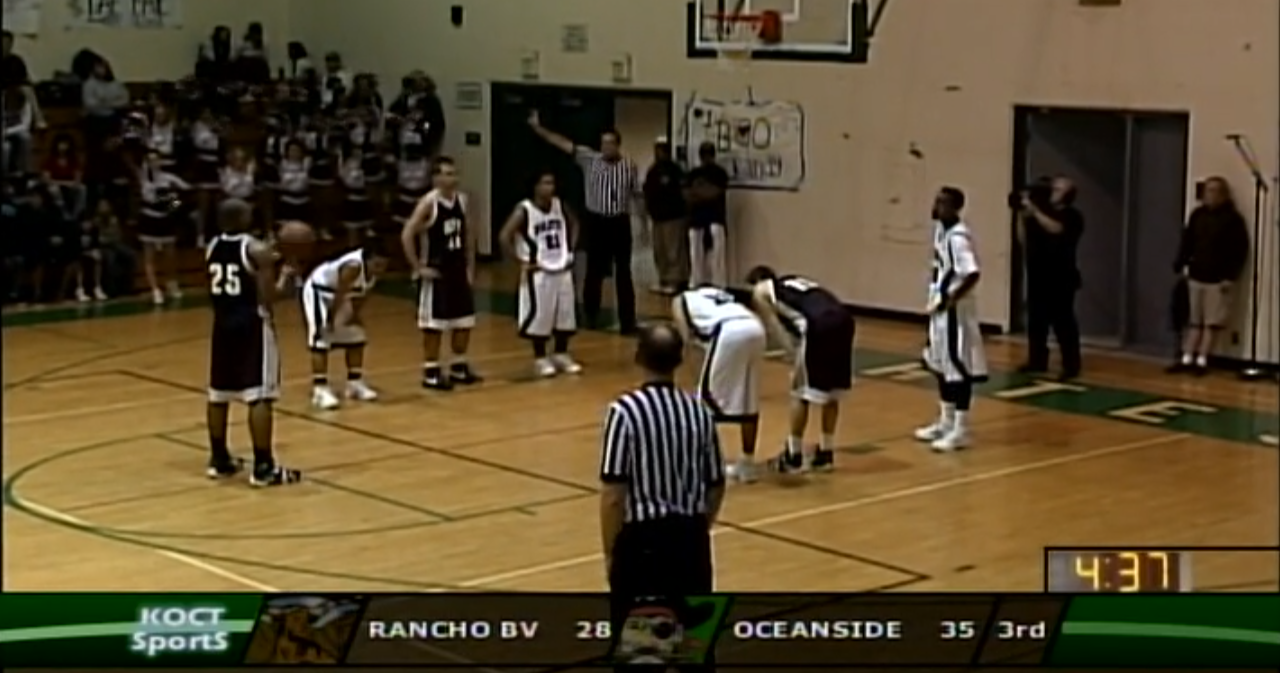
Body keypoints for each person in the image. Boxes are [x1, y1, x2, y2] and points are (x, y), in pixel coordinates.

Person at [600, 324, 723, 665]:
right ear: (680, 360)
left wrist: (612, 552)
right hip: (691, 542)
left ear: (638, 357)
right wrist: (697, 528)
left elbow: (613, 493)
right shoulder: (700, 412)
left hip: (643, 546)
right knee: (696, 652)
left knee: (642, 656)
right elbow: (716, 484)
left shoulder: (623, 413)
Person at [205, 199, 302, 487]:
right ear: (244, 217)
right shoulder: (256, 249)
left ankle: (219, 459)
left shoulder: (211, 246)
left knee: (218, 395)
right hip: (252, 326)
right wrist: (286, 276)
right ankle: (263, 467)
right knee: (260, 395)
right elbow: (269, 295)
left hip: (222, 325)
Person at [528, 110, 640, 334]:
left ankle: (628, 322)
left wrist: (642, 221)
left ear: (618, 145)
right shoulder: (589, 158)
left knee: (624, 273)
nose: (606, 147)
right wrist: (538, 128)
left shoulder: (629, 166)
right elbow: (563, 143)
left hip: (619, 221)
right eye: (603, 143)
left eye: (610, 144)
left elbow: (634, 194)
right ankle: (590, 315)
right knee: (594, 270)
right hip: (596, 220)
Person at [745, 267, 856, 473]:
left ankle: (793, 454)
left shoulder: (761, 291)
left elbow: (775, 326)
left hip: (818, 325)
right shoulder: (794, 282)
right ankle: (826, 452)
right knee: (832, 393)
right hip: (844, 320)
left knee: (799, 392)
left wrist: (791, 354)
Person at [915, 187, 988, 452]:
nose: (936, 206)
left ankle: (961, 428)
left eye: (943, 203)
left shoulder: (958, 238)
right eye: (936, 200)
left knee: (958, 367)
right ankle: (945, 421)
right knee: (941, 364)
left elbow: (972, 273)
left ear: (955, 208)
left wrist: (952, 299)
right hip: (939, 309)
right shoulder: (940, 231)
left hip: (955, 312)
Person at [401, 157, 481, 389]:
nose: (451, 178)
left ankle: (458, 365)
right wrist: (417, 267)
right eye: (446, 174)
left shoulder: (463, 201)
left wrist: (470, 267)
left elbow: (469, 237)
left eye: (454, 174)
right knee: (434, 326)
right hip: (436, 272)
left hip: (457, 269)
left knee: (464, 321)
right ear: (435, 178)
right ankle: (431, 370)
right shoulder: (429, 203)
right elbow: (407, 234)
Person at [672, 285, 766, 482]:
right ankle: (747, 465)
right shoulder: (716, 295)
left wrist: (696, 376)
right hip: (756, 327)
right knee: (748, 401)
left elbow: (686, 339)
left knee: (704, 403)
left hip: (729, 331)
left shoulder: (680, 300)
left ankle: (700, 466)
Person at [499, 170, 583, 377]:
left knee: (565, 314)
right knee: (540, 315)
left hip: (561, 266)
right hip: (539, 270)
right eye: (545, 183)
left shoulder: (559, 205)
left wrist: (570, 250)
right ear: (535, 186)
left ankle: (561, 353)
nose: (550, 187)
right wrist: (521, 261)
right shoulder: (524, 210)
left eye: (552, 183)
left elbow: (575, 225)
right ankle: (540, 357)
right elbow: (504, 236)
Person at [1168, 176, 1249, 375]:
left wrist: (1230, 276)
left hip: (1218, 278)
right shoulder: (1197, 215)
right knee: (1193, 320)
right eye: (1207, 191)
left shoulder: (1232, 220)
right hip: (1196, 274)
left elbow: (1239, 250)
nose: (1209, 195)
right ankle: (1187, 357)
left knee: (1211, 322)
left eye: (1214, 191)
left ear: (1223, 194)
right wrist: (1181, 263)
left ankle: (1203, 359)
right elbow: (1187, 241)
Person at [301, 236, 388, 410]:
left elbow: (363, 295)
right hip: (320, 292)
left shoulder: (374, 271)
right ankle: (320, 389)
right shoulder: (353, 267)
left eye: (383, 266)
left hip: (341, 296)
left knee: (357, 335)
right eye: (377, 265)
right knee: (322, 339)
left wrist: (355, 315)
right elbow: (340, 293)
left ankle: (354, 383)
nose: (380, 269)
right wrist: (332, 318)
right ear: (367, 259)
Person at [1016, 176, 1084, 380]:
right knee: (1036, 322)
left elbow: (1056, 229)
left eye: (1058, 188)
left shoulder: (1073, 216)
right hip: (1038, 275)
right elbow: (1023, 240)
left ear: (1067, 194)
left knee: (1063, 323)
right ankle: (1037, 360)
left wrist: (1035, 211)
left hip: (1061, 277)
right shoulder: (1040, 213)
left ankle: (1071, 365)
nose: (1052, 189)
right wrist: (1022, 215)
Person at [136, 149, 191, 305]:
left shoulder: (168, 178)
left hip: (166, 221)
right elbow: (153, 199)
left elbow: (186, 191)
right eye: (150, 160)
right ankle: (155, 289)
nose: (154, 163)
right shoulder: (143, 179)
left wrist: (175, 204)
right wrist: (170, 197)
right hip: (149, 219)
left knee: (170, 255)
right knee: (149, 257)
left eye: (156, 159)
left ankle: (171, 284)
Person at [642, 138, 688, 294]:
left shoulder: (675, 170)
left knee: (673, 251)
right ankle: (663, 279)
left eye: (662, 149)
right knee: (659, 251)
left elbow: (683, 193)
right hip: (657, 218)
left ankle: (676, 281)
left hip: (673, 217)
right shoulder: (653, 171)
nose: (659, 152)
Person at [686, 142, 730, 288]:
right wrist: (703, 193)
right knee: (696, 254)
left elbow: (715, 193)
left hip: (715, 218)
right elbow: (687, 194)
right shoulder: (694, 173)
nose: (706, 157)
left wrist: (699, 193)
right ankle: (698, 283)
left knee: (717, 255)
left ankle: (718, 284)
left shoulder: (719, 173)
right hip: (697, 218)